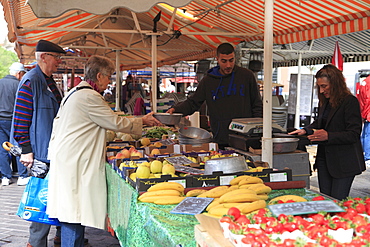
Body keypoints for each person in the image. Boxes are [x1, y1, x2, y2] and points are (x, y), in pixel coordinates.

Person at [46, 55, 162, 247]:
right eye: (109, 77)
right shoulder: (89, 96)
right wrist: (142, 121)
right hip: (74, 162)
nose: (109, 82)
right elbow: (115, 122)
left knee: (72, 213)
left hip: (70, 159)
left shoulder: (77, 91)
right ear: (99, 76)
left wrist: (138, 118)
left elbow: (108, 117)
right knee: (74, 213)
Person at [10, 40, 66, 247]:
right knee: (41, 199)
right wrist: (26, 151)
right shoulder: (31, 81)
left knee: (54, 195)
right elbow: (20, 120)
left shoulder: (48, 80)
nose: (59, 62)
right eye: (56, 57)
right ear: (43, 57)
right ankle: (35, 243)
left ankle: (59, 235)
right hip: (40, 152)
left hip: (52, 149)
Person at [289, 64, 365, 200]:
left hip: (343, 162)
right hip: (325, 159)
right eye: (319, 86)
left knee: (337, 201)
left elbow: (353, 133)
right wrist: (305, 130)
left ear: (335, 83)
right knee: (325, 199)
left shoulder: (350, 101)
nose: (321, 90)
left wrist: (328, 136)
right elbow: (319, 123)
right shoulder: (326, 102)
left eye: (324, 86)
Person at [167, 43, 263, 148]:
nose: (228, 65)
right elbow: (193, 102)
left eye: (231, 60)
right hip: (221, 137)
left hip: (245, 137)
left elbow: (257, 104)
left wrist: (257, 130)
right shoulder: (208, 81)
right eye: (224, 61)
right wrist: (176, 110)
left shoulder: (246, 76)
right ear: (217, 59)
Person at [0, 62, 26, 186]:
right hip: (14, 121)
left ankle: (6, 176)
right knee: (17, 146)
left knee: (2, 148)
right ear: (19, 73)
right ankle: (22, 175)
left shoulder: (0, 83)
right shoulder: (19, 85)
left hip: (0, 121)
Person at [358, 75, 370, 167]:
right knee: (368, 135)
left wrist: (362, 114)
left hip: (366, 112)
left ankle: (362, 154)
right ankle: (367, 156)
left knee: (365, 134)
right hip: (368, 112)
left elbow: (362, 100)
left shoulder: (364, 82)